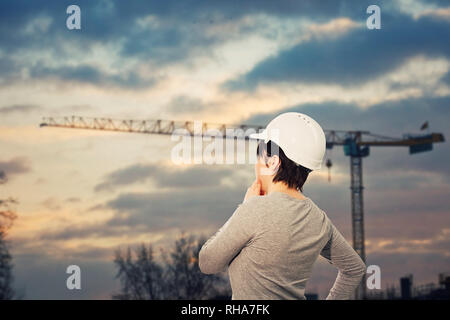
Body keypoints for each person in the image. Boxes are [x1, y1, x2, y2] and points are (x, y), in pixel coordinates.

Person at [198, 112, 366, 300]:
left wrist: (245, 206)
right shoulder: (319, 219)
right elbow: (355, 269)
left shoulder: (255, 209)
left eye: (259, 158)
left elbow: (207, 262)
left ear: (273, 162)